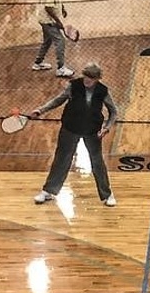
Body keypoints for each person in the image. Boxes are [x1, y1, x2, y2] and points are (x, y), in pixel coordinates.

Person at [29, 62, 119, 207]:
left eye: (90, 78)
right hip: (70, 128)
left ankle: (107, 195)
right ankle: (48, 191)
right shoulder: (74, 86)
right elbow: (58, 100)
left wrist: (106, 128)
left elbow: (113, 112)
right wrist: (40, 110)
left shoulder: (103, 91)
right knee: (61, 160)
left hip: (92, 131)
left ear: (97, 79)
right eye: (85, 77)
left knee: (97, 163)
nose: (87, 80)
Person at [33, 0, 74, 78]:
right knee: (60, 41)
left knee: (47, 41)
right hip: (48, 20)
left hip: (46, 19)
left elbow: (55, 0)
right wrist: (58, 22)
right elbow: (48, 7)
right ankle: (61, 68)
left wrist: (62, 8)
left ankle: (38, 63)